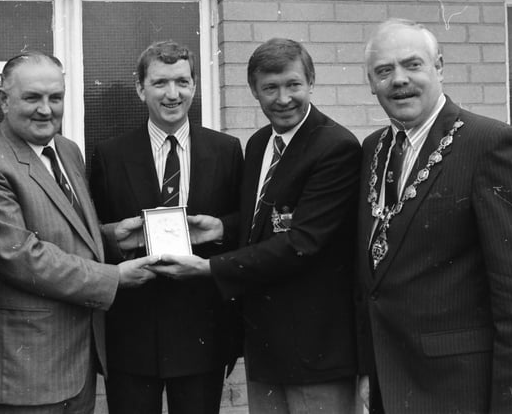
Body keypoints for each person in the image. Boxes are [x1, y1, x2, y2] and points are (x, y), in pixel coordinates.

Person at [356, 18, 512, 413]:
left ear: (439, 67)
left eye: (412, 64)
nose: (398, 80)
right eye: (384, 71)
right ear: (371, 83)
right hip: (394, 387)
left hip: (462, 393)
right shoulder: (374, 149)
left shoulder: (490, 145)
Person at [151, 38, 361, 413]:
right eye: (270, 88)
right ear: (254, 91)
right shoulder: (260, 142)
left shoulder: (336, 147)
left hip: (316, 351)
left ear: (311, 82)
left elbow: (302, 243)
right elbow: (259, 226)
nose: (283, 99)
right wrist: (219, 229)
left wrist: (209, 267)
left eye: (293, 85)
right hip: (264, 345)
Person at [0, 52, 158, 413]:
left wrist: (113, 236)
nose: (45, 109)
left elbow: (65, 231)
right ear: (3, 100)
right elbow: (20, 256)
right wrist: (113, 276)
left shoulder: (67, 150)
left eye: (55, 98)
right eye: (32, 98)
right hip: (25, 373)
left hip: (78, 364)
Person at [89, 41, 244, 414]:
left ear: (194, 86)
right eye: (159, 83)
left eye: (182, 82)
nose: (172, 94)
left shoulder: (226, 149)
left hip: (202, 329)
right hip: (131, 333)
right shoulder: (109, 155)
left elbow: (244, 223)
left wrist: (220, 227)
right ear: (141, 89)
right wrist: (115, 239)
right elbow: (92, 233)